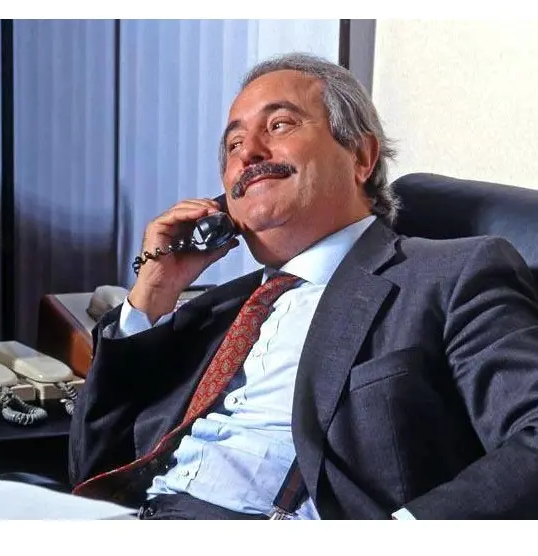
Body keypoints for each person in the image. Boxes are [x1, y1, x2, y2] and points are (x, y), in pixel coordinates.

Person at [68, 52, 538, 519]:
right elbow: (92, 466)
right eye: (234, 144)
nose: (248, 153)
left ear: (361, 156)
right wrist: (152, 293)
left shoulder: (451, 275)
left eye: (279, 125)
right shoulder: (215, 312)